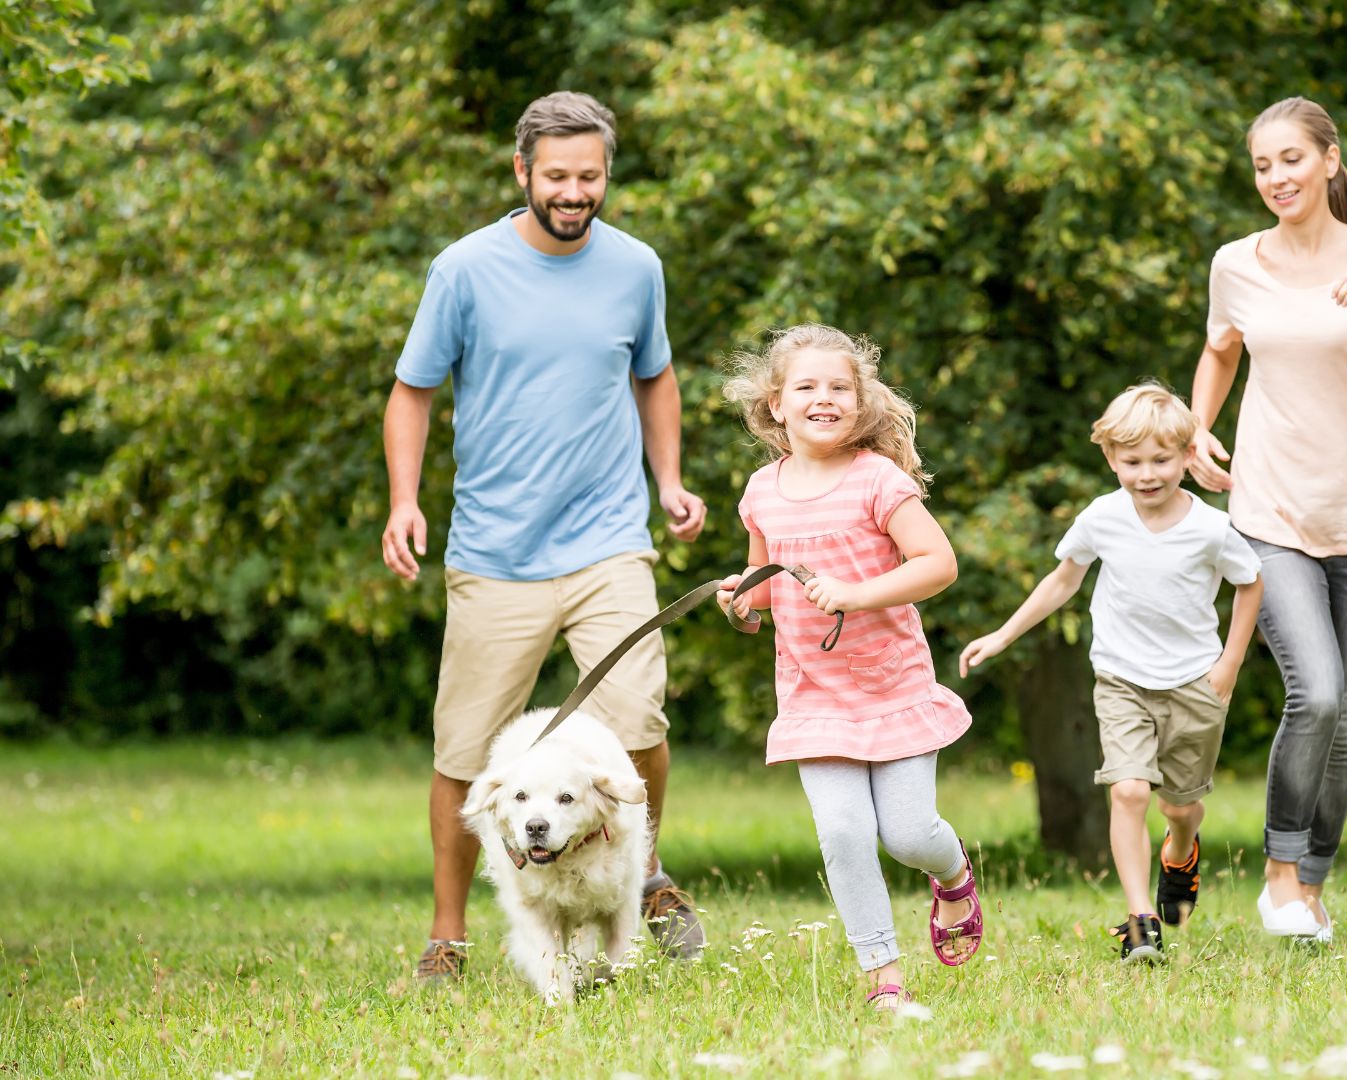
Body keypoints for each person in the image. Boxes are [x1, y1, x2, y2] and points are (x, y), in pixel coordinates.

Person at [381, 91, 710, 984]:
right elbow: (412, 391)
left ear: (608, 175)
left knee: (640, 717)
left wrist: (668, 481)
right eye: (558, 176)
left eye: (591, 176)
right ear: (521, 170)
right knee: (466, 750)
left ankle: (644, 875)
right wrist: (404, 500)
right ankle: (447, 939)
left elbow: (657, 373)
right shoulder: (464, 269)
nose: (575, 192)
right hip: (495, 554)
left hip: (608, 540)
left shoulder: (636, 266)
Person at [1190, 97, 1347, 942]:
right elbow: (1220, 347)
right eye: (1262, 166)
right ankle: (1278, 875)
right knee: (1319, 693)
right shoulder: (1237, 263)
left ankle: (1311, 880)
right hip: (1273, 510)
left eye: (1291, 160)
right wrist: (1198, 428)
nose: (1276, 178)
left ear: (1331, 161)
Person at [716, 324, 983, 1011]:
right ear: (776, 403)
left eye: (840, 387)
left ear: (860, 402)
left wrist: (858, 593)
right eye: (806, 387)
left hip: (891, 687)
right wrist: (742, 601)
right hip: (814, 696)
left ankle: (953, 875)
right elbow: (764, 577)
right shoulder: (761, 491)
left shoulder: (877, 478)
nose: (824, 398)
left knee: (906, 834)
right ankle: (882, 981)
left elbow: (938, 564)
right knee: (841, 832)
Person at [960, 383, 1263, 963]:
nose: (1147, 474)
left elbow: (1250, 583)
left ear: (1185, 456)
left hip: (1195, 683)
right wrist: (1001, 635)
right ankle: (1140, 919)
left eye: (1161, 460)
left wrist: (1229, 663)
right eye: (1132, 462)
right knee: (1126, 790)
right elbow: (1063, 581)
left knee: (1179, 806)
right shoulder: (1102, 516)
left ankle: (1181, 851)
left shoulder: (1209, 527)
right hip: (1121, 678)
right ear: (1110, 459)